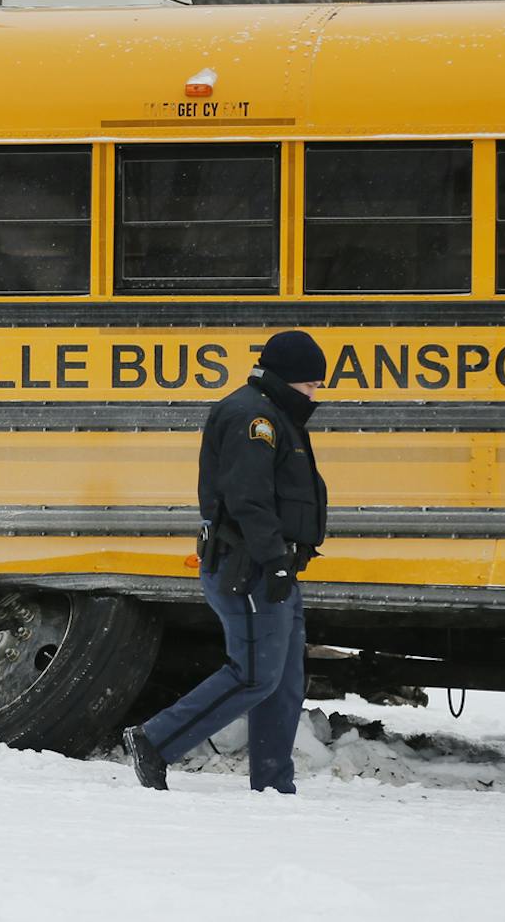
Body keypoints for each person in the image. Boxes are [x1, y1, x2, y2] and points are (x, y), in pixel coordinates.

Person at [124, 330, 329, 794]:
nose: (316, 395)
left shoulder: (275, 412)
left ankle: (274, 785)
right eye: (311, 386)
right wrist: (274, 561)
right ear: (286, 379)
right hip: (250, 567)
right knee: (254, 674)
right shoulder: (252, 416)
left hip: (274, 567)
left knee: (282, 682)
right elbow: (248, 499)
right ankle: (155, 741)